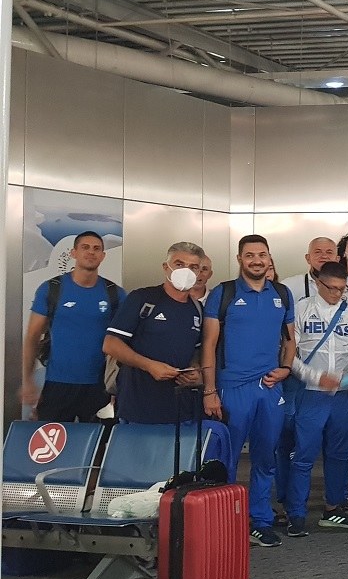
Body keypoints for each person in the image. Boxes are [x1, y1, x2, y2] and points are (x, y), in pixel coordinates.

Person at [202, 235, 297, 547]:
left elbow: (290, 340)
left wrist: (286, 368)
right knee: (225, 460)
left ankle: (260, 521)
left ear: (269, 258)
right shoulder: (224, 293)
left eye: (262, 255)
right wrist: (209, 390)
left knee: (265, 458)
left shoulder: (281, 293)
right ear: (240, 259)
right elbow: (209, 345)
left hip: (269, 388)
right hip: (233, 388)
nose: (257, 260)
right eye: (250, 255)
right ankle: (223, 522)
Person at [284, 261, 348, 535]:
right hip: (311, 394)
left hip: (343, 395)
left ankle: (334, 508)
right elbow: (289, 355)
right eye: (331, 288)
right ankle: (296, 513)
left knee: (340, 455)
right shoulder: (301, 310)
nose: (336, 294)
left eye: (342, 289)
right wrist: (316, 377)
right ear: (318, 283)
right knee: (303, 454)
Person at [20, 230, 125, 422]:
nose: (91, 252)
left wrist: (118, 387)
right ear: (73, 253)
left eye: (96, 249)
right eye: (85, 247)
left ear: (103, 255)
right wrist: (28, 380)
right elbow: (32, 337)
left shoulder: (115, 294)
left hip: (99, 386)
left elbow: (125, 341)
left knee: (100, 441)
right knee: (53, 440)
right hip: (57, 385)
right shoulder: (52, 289)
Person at [104, 242, 205, 424]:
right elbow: (110, 344)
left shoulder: (197, 309)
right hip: (138, 407)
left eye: (193, 267)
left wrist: (195, 372)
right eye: (179, 264)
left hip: (180, 410)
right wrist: (149, 365)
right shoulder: (142, 298)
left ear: (199, 273)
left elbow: (195, 352)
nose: (186, 271)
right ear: (166, 267)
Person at [284, 236, 348, 303]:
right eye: (318, 252)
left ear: (337, 259)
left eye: (329, 252)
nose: (324, 256)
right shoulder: (289, 286)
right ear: (308, 258)